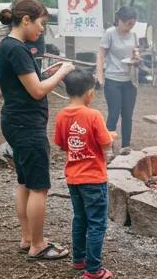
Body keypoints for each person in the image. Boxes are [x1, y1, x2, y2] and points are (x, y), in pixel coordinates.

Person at [0, 0, 75, 261]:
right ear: (26, 20)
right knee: (39, 186)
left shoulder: (9, 46)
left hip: (15, 121)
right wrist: (62, 73)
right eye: (40, 23)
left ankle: (27, 237)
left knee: (24, 182)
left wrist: (47, 72)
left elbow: (28, 82)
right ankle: (38, 244)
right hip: (26, 125)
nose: (42, 30)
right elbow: (38, 91)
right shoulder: (17, 49)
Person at [53, 71, 114, 279]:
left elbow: (62, 144)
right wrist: (110, 135)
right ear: (90, 93)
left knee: (80, 219)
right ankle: (94, 270)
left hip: (73, 178)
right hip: (94, 179)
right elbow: (105, 143)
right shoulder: (93, 115)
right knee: (97, 223)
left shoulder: (61, 115)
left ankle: (79, 259)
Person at [97, 6, 140, 153]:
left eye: (132, 24)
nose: (130, 26)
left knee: (127, 115)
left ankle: (126, 146)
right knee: (114, 113)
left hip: (130, 81)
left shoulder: (133, 35)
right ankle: (108, 146)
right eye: (128, 23)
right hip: (113, 79)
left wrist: (136, 58)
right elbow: (101, 55)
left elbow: (135, 53)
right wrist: (100, 76)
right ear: (119, 21)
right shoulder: (110, 33)